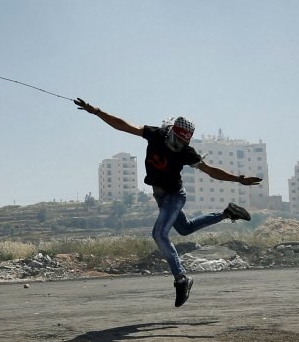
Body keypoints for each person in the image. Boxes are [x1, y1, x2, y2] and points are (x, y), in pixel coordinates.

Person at [74, 98, 262, 307]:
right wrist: (97, 111)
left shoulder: (186, 153)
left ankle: (181, 278)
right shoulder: (156, 134)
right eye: (176, 141)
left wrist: (238, 179)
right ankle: (227, 213)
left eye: (182, 144)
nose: (177, 146)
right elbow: (124, 126)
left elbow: (210, 171)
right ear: (171, 132)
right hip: (161, 196)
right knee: (185, 228)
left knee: (159, 234)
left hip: (174, 196)